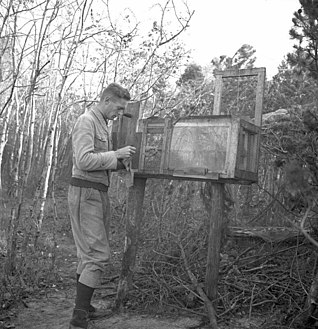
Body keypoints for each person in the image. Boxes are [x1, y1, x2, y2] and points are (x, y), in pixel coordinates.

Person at [68, 83, 136, 329]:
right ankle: (78, 319)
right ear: (106, 100)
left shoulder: (102, 124)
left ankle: (84, 308)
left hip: (96, 192)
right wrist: (116, 154)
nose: (119, 113)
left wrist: (121, 163)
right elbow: (84, 160)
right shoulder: (87, 121)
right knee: (97, 256)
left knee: (88, 255)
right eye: (118, 108)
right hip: (86, 192)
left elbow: (99, 162)